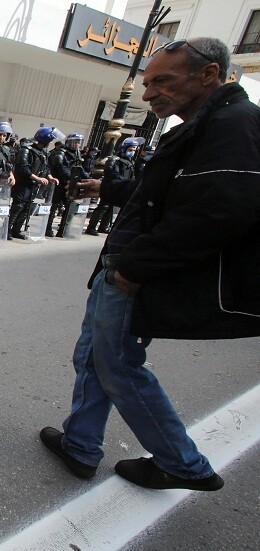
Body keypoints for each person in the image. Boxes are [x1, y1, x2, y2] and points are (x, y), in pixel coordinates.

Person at [40, 37, 260, 491]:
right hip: (123, 264)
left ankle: (183, 465)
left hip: (133, 271)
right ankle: (80, 444)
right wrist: (108, 188)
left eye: (162, 80)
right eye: (146, 82)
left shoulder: (234, 124)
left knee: (118, 364)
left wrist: (132, 269)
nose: (149, 93)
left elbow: (217, 211)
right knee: (93, 357)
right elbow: (163, 192)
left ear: (209, 74)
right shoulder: (202, 124)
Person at [10, 126, 61, 239]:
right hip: (23, 184)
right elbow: (23, 168)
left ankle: (16, 230)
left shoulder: (43, 153)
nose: (50, 143)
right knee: (18, 206)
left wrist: (50, 177)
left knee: (27, 208)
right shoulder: (26, 150)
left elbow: (46, 168)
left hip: (33, 186)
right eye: (49, 140)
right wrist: (37, 178)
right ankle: (7, 229)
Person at [86, 136, 143, 236]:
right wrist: (125, 182)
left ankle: (103, 227)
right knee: (103, 207)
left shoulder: (130, 162)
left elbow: (132, 175)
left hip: (121, 188)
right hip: (110, 187)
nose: (132, 152)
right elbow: (113, 174)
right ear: (124, 149)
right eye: (130, 149)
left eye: (134, 150)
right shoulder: (114, 160)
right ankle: (91, 227)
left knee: (111, 208)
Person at [47, 133, 88, 238]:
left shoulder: (78, 154)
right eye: (75, 141)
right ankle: (48, 228)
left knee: (70, 207)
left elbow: (79, 168)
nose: (77, 144)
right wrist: (73, 178)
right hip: (59, 183)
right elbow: (61, 169)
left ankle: (63, 230)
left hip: (71, 184)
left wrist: (87, 178)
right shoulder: (61, 153)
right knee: (54, 206)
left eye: (79, 142)